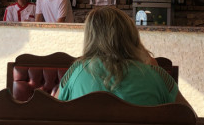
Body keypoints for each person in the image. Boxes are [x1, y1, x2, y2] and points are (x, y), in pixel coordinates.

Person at [58, 7, 189, 106]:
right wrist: (155, 70)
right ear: (131, 35)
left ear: (90, 38)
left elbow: (53, 113)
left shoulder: (75, 72)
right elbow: (191, 120)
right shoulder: (157, 76)